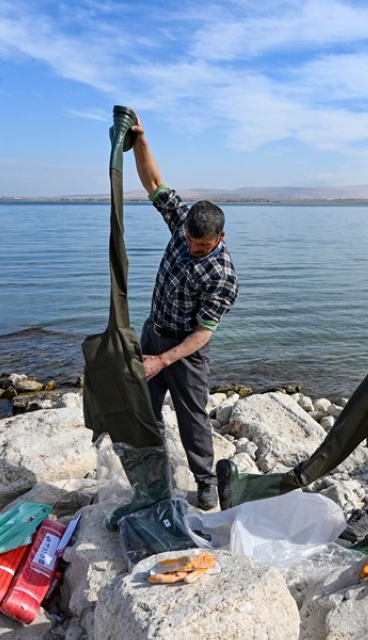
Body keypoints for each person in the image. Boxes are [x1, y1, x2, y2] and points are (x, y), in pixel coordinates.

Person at [129, 115, 239, 510]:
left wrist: (163, 360)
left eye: (202, 246)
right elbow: (154, 182)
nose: (193, 249)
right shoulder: (182, 225)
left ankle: (205, 482)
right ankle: (149, 473)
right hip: (153, 332)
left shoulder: (223, 275)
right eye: (191, 242)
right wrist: (141, 140)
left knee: (192, 415)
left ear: (220, 238)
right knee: (142, 408)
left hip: (186, 350)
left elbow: (203, 333)